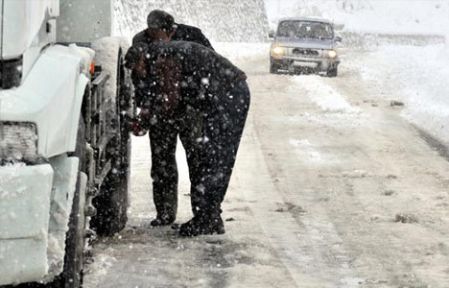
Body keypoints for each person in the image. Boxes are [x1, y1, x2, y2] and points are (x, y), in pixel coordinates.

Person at [141, 34, 250, 236]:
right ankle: (211, 217)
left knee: (215, 159)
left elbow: (171, 100)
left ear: (142, 59)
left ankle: (205, 219)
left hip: (229, 95)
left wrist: (150, 117)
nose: (140, 75)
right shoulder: (166, 52)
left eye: (137, 70)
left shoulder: (165, 57)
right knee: (214, 158)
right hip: (227, 94)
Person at [125, 10, 215, 227]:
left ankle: (204, 214)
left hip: (190, 109)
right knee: (162, 164)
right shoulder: (142, 41)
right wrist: (145, 106)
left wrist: (200, 95)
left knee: (198, 162)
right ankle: (165, 213)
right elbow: (137, 74)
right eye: (152, 33)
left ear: (170, 29)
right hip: (160, 112)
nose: (156, 38)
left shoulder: (193, 37)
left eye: (159, 33)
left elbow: (210, 64)